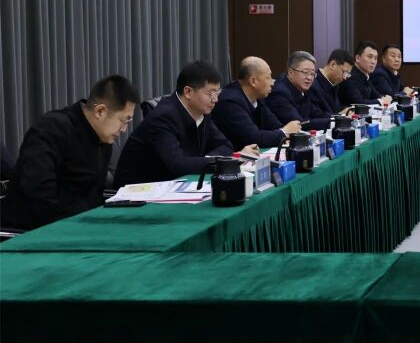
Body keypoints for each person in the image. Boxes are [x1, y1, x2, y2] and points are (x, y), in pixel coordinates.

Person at [0, 75, 139, 230]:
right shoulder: (52, 129)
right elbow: (38, 196)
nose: (124, 129)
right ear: (100, 111)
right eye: (124, 120)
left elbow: (93, 195)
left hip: (80, 224)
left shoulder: (102, 138)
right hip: (35, 230)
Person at [114, 61, 257, 186]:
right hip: (136, 193)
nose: (215, 100)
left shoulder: (202, 111)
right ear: (188, 92)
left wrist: (210, 161)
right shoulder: (163, 117)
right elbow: (176, 165)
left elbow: (225, 145)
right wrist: (224, 161)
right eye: (210, 93)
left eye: (217, 93)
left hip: (171, 186)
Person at [211, 57, 302, 149]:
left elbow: (274, 126)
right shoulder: (229, 102)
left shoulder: (257, 98)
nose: (272, 83)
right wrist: (284, 132)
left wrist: (286, 132)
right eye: (268, 77)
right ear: (253, 81)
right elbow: (252, 138)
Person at [265, 51, 333, 131]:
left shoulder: (301, 88)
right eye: (305, 72)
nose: (309, 78)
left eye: (312, 74)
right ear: (290, 73)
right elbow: (300, 124)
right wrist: (333, 123)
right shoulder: (279, 93)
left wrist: (338, 118)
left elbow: (315, 113)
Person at [338, 40, 384, 106]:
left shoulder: (365, 76)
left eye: (375, 58)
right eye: (370, 57)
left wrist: (384, 99)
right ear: (357, 58)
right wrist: (381, 101)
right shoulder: (350, 76)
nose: (373, 62)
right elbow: (358, 102)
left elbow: (376, 96)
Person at [310, 49, 354, 115]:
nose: (345, 77)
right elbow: (316, 115)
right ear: (332, 65)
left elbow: (334, 109)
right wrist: (340, 115)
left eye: (347, 74)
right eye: (344, 72)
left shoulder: (334, 83)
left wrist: (347, 110)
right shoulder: (313, 84)